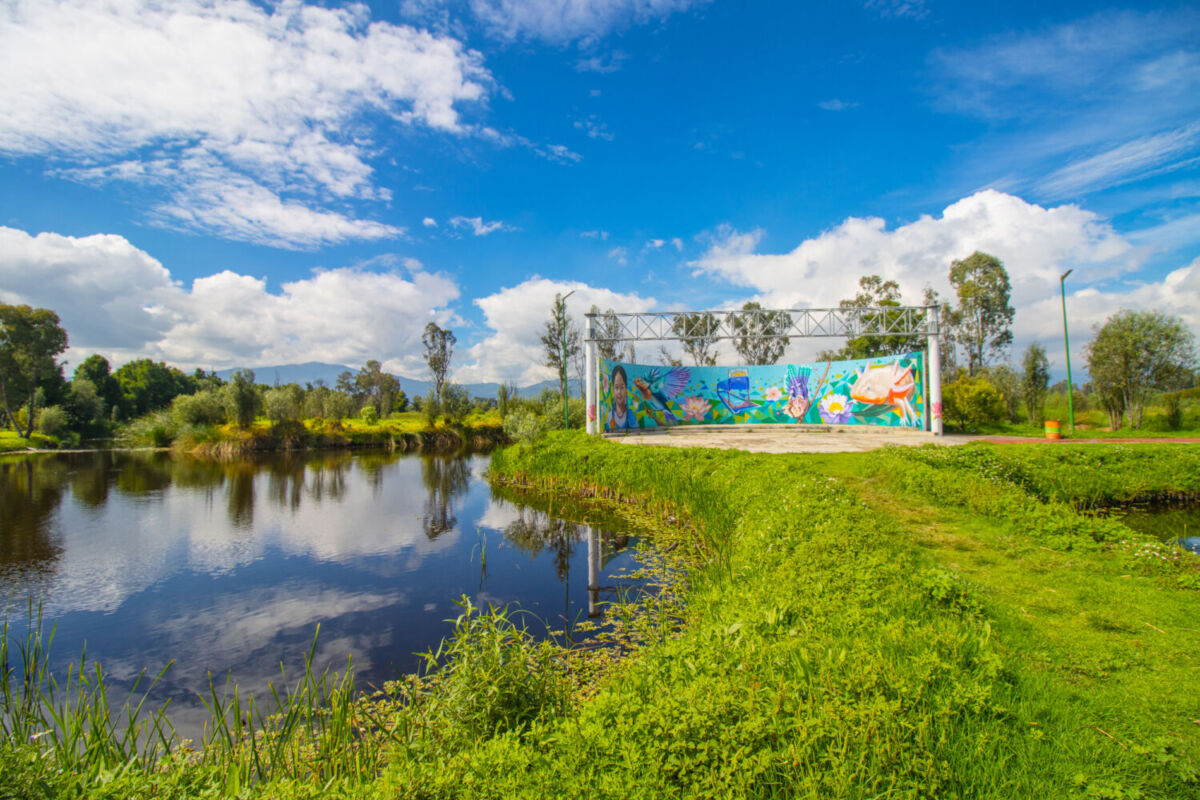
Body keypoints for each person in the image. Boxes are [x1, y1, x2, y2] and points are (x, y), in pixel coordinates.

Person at [608, 364, 639, 430]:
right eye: (616, 387)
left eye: (622, 387)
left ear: (626, 389)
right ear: (613, 389)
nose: (619, 391)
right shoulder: (609, 416)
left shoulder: (631, 415)